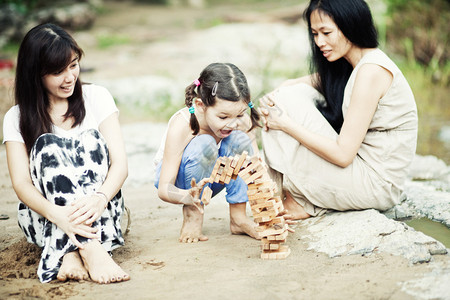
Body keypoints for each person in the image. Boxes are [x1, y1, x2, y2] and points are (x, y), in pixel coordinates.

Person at [259, 0, 418, 219]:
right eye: (315, 34)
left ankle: (292, 199)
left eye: (326, 32)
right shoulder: (354, 65)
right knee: (285, 95)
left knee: (284, 103)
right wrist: (281, 89)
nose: (319, 42)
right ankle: (288, 197)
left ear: (350, 25)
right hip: (361, 172)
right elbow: (307, 83)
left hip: (375, 185)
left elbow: (343, 155)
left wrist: (286, 125)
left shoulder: (371, 71)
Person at [3, 23, 130, 284]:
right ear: (35, 74)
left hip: (98, 211)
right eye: (57, 71)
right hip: (47, 216)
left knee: (92, 141)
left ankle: (70, 253)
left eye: (73, 65)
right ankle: (91, 250)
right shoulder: (16, 118)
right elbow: (21, 184)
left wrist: (99, 198)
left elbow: (120, 164)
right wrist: (57, 214)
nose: (70, 77)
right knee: (48, 146)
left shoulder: (97, 97)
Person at [154, 63, 261, 243]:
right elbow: (164, 188)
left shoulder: (239, 119)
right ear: (200, 105)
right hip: (179, 184)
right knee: (205, 143)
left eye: (240, 114)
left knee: (239, 139)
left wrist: (271, 206)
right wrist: (189, 197)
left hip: (211, 180)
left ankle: (238, 218)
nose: (233, 123)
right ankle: (192, 217)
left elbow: (254, 164)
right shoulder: (183, 124)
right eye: (223, 117)